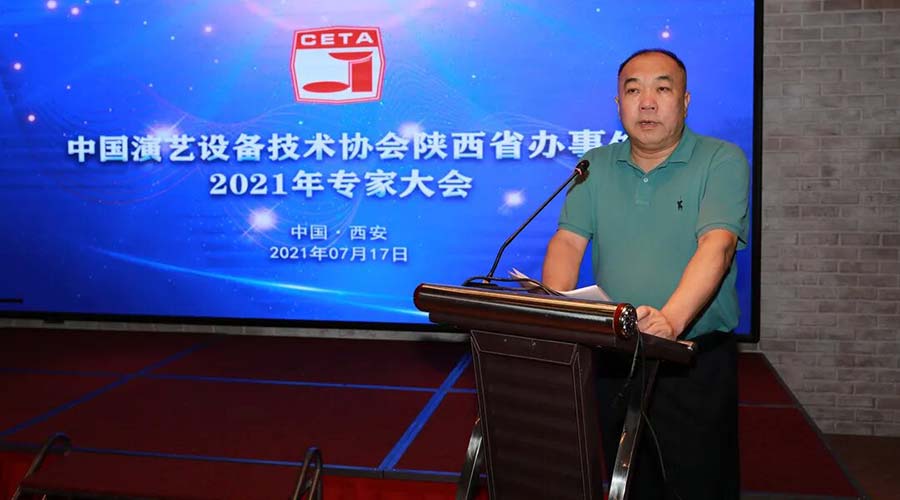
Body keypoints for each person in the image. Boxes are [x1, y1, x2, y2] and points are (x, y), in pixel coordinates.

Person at [541, 48, 749, 499]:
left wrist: (671, 321)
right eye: (633, 91)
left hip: (690, 360)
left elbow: (717, 245)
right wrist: (555, 311)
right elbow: (568, 242)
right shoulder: (595, 164)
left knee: (699, 483)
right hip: (614, 354)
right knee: (626, 482)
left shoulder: (720, 160)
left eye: (662, 89)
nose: (647, 102)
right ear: (618, 104)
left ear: (685, 101)